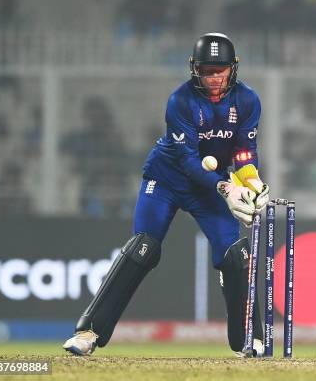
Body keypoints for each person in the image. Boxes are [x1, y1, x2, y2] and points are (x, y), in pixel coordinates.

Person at [62, 33, 270, 357]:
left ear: (233, 69)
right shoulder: (180, 100)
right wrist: (226, 187)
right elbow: (187, 160)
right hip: (167, 179)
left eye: (221, 70)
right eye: (206, 70)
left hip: (211, 183)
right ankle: (88, 332)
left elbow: (245, 150)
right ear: (194, 69)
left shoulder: (248, 100)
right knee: (142, 247)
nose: (214, 78)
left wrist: (253, 182)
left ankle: (250, 340)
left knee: (233, 253)